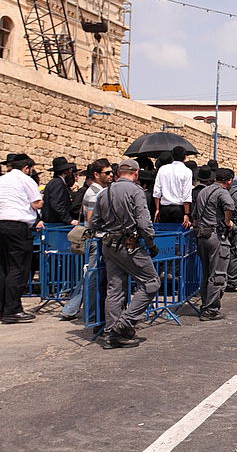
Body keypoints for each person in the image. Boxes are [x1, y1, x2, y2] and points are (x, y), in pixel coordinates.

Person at [90, 159, 161, 349]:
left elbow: (94, 223)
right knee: (152, 282)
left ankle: (111, 333)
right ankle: (124, 324)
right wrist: (151, 243)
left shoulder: (105, 193)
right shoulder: (136, 191)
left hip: (108, 245)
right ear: (136, 173)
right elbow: (144, 222)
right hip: (129, 245)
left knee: (115, 289)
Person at [59, 158, 113, 321]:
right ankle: (93, 316)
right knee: (92, 279)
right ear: (97, 175)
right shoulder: (93, 194)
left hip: (98, 240)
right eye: (107, 173)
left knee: (89, 278)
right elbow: (91, 221)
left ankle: (71, 310)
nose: (111, 175)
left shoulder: (99, 192)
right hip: (96, 241)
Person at [0, 154, 42, 323]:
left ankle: (2, 308)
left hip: (1, 224)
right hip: (17, 226)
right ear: (26, 168)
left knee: (3, 268)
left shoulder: (2, 179)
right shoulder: (26, 180)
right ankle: (13, 309)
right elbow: (36, 203)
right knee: (18, 268)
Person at [192, 168, 235, 321]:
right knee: (218, 274)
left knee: (206, 273)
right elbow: (230, 206)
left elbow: (195, 215)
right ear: (229, 180)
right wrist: (227, 222)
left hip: (202, 235)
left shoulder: (203, 191)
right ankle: (210, 309)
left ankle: (205, 304)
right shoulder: (222, 192)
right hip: (216, 236)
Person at [152, 146, 192, 227]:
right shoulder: (187, 171)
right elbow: (186, 194)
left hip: (164, 208)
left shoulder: (163, 169)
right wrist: (186, 214)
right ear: (185, 157)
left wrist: (157, 209)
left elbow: (156, 191)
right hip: (179, 209)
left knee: (165, 233)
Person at [42, 156, 79, 225]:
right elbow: (57, 204)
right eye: (69, 170)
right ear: (65, 171)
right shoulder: (57, 183)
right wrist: (69, 220)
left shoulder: (57, 182)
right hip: (55, 224)